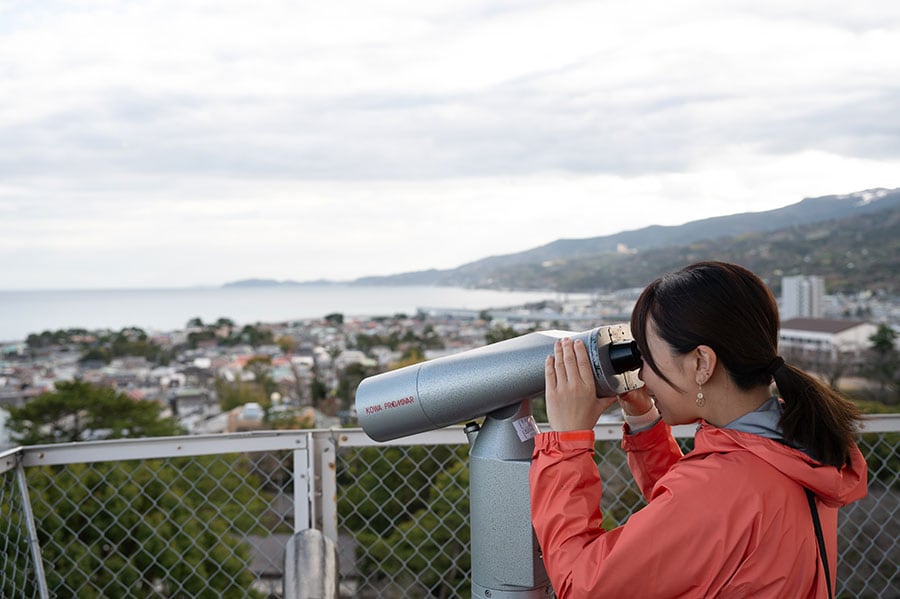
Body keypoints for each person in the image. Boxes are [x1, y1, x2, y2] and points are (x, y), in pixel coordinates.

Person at [529, 261, 868, 598]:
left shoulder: (725, 487)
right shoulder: (791, 444)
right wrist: (644, 419)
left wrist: (566, 444)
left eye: (646, 355)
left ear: (702, 363)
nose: (642, 374)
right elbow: (696, 523)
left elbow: (582, 585)